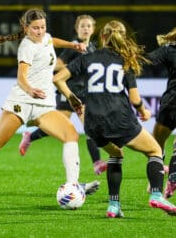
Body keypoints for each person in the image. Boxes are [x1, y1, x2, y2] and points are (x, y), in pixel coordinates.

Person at [0, 8, 98, 196]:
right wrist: (30, 89)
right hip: (21, 102)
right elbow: (21, 77)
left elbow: (50, 41)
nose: (40, 31)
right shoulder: (27, 47)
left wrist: (73, 46)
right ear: (26, 28)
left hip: (43, 105)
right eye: (35, 28)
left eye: (42, 27)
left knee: (71, 135)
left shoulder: (45, 37)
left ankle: (73, 185)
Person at [53, 19, 176, 217]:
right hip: (118, 118)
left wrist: (72, 98)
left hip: (92, 122)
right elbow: (135, 99)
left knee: (116, 155)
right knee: (154, 150)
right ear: (123, 38)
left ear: (102, 37)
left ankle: (114, 206)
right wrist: (143, 111)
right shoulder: (125, 60)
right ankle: (156, 195)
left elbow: (57, 78)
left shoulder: (87, 57)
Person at [19, 14, 107, 175]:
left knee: (89, 127)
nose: (85, 29)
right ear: (77, 29)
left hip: (84, 94)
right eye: (82, 26)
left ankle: (97, 163)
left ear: (93, 29)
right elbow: (56, 65)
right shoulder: (74, 46)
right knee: (55, 128)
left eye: (88, 26)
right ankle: (29, 137)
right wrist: (72, 67)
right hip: (67, 92)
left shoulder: (93, 48)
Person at [147, 28, 176, 199]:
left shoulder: (168, 50)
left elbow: (147, 60)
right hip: (171, 103)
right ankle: (172, 178)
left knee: (156, 145)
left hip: (171, 103)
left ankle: (155, 181)